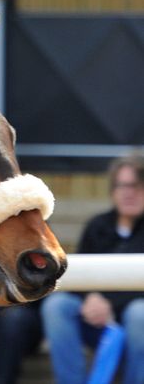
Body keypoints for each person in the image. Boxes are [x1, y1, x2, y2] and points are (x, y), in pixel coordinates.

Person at [41, 155, 144, 384]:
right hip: (97, 322)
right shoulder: (98, 225)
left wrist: (108, 303)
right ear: (112, 190)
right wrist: (92, 299)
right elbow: (79, 275)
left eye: (136, 186)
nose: (129, 193)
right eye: (121, 185)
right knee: (57, 306)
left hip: (136, 323)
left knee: (139, 313)